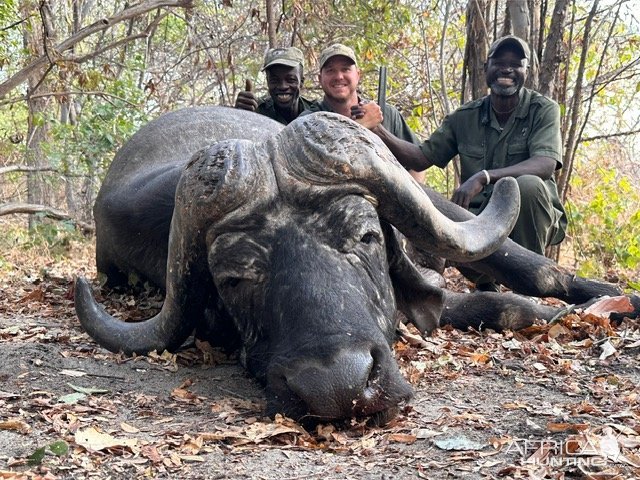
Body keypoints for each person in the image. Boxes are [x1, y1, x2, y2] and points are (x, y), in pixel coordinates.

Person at [378, 35, 567, 279]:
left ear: (526, 71)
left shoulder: (543, 109)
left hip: (528, 223)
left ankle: (529, 281)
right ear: (485, 68)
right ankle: (485, 283)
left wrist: (484, 176)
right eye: (499, 62)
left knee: (527, 186)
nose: (507, 69)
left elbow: (545, 164)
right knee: (444, 212)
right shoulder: (465, 117)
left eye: (516, 64)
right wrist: (379, 131)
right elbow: (420, 158)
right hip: (477, 225)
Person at [303, 43, 425, 182]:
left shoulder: (388, 114)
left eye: (346, 69)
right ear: (320, 79)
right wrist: (359, 128)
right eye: (331, 71)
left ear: (358, 75)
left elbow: (418, 166)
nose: (339, 76)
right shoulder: (308, 120)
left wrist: (406, 200)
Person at [235, 46, 314, 125]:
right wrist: (240, 116)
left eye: (291, 80)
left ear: (301, 82)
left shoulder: (315, 113)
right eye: (274, 80)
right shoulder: (257, 111)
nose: (283, 86)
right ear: (268, 82)